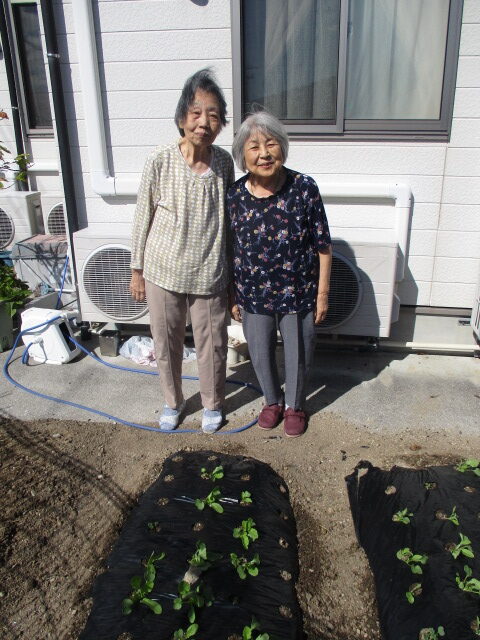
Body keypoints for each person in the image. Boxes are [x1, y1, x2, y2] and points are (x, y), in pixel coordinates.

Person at [129, 68, 234, 433]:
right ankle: (173, 402)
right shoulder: (160, 159)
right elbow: (143, 213)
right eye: (196, 112)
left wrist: (232, 273)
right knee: (166, 342)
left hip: (210, 272)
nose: (204, 122)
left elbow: (228, 219)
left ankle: (212, 403)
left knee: (213, 344)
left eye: (214, 115)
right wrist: (136, 268)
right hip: (162, 269)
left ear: (221, 124)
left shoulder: (223, 162)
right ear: (181, 118)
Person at [227, 111, 332, 438]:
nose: (264, 153)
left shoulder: (303, 188)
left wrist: (322, 294)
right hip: (253, 293)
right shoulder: (234, 195)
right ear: (242, 156)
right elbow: (230, 248)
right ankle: (272, 401)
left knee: (299, 352)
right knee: (258, 352)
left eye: (271, 144)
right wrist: (232, 293)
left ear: (282, 148)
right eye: (254, 147)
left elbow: (324, 246)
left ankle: (295, 406)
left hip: (298, 292)